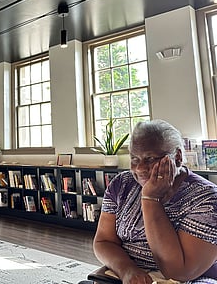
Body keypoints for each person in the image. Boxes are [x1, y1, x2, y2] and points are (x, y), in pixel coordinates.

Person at [93, 119, 217, 283]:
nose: (139, 168)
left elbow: (179, 272)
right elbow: (103, 241)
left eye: (150, 158)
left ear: (177, 157)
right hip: (128, 272)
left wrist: (150, 199)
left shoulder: (206, 198)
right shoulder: (122, 183)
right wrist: (127, 270)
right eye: (134, 158)